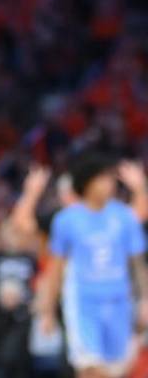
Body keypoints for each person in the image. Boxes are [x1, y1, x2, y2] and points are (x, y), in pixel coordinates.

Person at [38, 153, 148, 378]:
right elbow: (55, 269)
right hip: (83, 303)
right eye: (103, 179)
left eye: (110, 179)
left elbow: (137, 264)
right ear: (87, 182)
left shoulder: (125, 217)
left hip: (119, 302)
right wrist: (47, 311)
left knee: (116, 370)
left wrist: (145, 299)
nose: (109, 184)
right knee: (90, 370)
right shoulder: (66, 220)